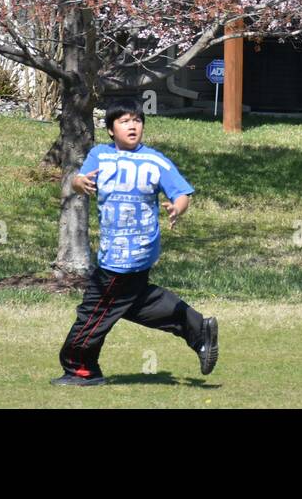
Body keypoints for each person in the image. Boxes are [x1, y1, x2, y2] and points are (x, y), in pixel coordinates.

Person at [52, 97, 218, 386]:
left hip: (132, 252)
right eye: (125, 121)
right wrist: (81, 184)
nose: (133, 126)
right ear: (111, 130)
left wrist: (177, 208)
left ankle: (81, 369)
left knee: (94, 310)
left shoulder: (154, 160)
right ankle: (197, 329)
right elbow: (79, 180)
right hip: (111, 250)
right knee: (133, 301)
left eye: (137, 120)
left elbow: (181, 193)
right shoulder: (100, 155)